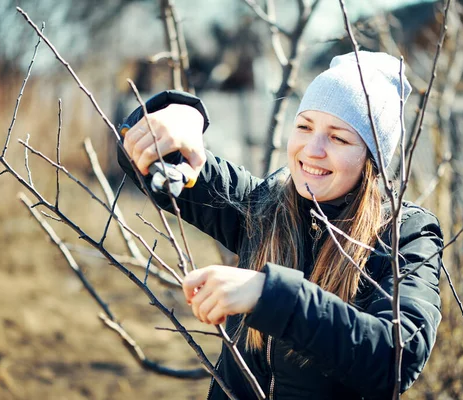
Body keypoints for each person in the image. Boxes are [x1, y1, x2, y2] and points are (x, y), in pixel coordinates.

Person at [117, 51, 444, 400]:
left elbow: (397, 359)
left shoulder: (404, 236)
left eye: (338, 137)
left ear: (372, 159)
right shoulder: (263, 207)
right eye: (304, 127)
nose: (312, 149)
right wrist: (181, 114)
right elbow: (142, 157)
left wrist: (269, 295)